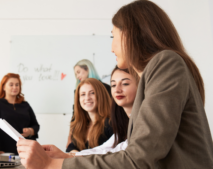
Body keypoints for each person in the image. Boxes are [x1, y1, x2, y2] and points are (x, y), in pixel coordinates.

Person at [16, 1, 213, 168]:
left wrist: (53, 164)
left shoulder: (165, 63)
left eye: (113, 37)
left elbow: (138, 158)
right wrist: (66, 158)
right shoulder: (161, 68)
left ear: (130, 34)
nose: (111, 48)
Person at [40, 66, 138, 159]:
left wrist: (70, 156)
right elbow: (101, 149)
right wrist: (69, 155)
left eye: (92, 93)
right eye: (82, 94)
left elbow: (111, 153)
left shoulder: (112, 123)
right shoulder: (81, 124)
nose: (87, 98)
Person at [0, 73, 40, 155]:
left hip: (29, 148)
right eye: (11, 85)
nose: (15, 87)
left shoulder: (25, 105)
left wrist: (30, 131)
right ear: (4, 87)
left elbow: (36, 125)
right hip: (8, 150)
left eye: (17, 85)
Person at [67, 59, 112, 147]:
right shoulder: (81, 126)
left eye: (79, 72)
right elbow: (75, 115)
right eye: (83, 94)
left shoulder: (109, 125)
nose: (77, 76)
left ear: (87, 69)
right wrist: (70, 137)